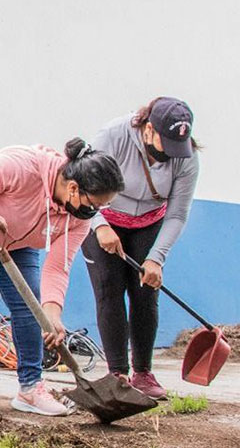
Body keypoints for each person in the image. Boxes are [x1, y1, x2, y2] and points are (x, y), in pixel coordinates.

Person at [0, 138, 124, 421]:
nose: (95, 213)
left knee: (29, 305)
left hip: (14, 240)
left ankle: (30, 390)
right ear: (73, 187)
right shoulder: (24, 168)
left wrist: (53, 314)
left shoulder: (78, 218)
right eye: (94, 204)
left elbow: (58, 268)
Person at [81, 97, 199, 400]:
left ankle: (143, 374)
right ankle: (117, 374)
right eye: (165, 144)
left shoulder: (186, 157)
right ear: (148, 129)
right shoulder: (113, 135)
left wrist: (156, 259)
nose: (167, 155)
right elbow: (83, 184)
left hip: (149, 222)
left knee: (146, 291)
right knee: (109, 289)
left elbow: (177, 214)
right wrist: (100, 225)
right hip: (103, 216)